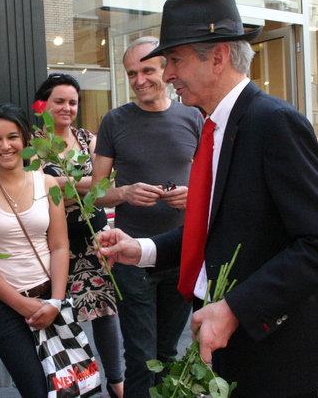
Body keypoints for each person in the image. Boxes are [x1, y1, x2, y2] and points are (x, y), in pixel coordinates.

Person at [96, 0, 318, 398]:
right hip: (235, 352)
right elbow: (219, 231)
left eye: (175, 61)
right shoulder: (215, 126)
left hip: (275, 359)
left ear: (217, 57)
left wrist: (236, 307)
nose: (167, 76)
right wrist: (143, 249)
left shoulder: (274, 122)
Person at [91, 36, 203, 396]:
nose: (139, 80)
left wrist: (192, 197)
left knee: (167, 354)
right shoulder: (115, 121)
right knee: (140, 357)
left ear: (165, 71)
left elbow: (212, 181)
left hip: (181, 253)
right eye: (131, 73)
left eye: (147, 70)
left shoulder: (192, 117)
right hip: (132, 258)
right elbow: (95, 194)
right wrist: (123, 193)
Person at [0, 104, 69, 397]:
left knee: (67, 387)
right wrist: (21, 304)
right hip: (4, 308)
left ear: (26, 140)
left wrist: (56, 301)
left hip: (49, 297)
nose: (5, 146)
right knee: (35, 390)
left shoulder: (47, 183)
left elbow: (59, 246)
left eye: (13, 137)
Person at [34, 73, 123, 397]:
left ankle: (116, 382)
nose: (67, 107)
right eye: (59, 101)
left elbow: (108, 187)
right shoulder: (32, 144)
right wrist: (87, 185)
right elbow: (38, 190)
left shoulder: (90, 140)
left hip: (92, 233)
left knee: (104, 310)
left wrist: (62, 185)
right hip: (51, 239)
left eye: (72, 102)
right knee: (54, 312)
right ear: (44, 104)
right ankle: (63, 383)